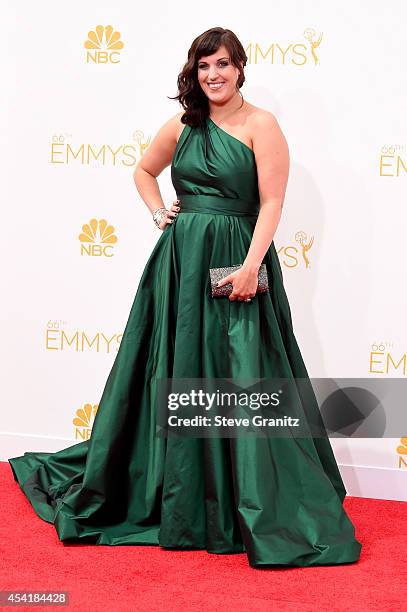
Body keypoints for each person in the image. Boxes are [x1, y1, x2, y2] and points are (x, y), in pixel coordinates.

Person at [8, 27, 362, 568]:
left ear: (241, 67)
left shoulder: (261, 125)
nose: (213, 75)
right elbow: (144, 170)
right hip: (179, 263)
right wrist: (158, 212)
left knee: (243, 374)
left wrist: (250, 266)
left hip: (237, 260)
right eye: (203, 67)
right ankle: (179, 491)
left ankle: (243, 499)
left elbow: (272, 202)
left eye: (222, 64)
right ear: (194, 74)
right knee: (172, 367)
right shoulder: (182, 124)